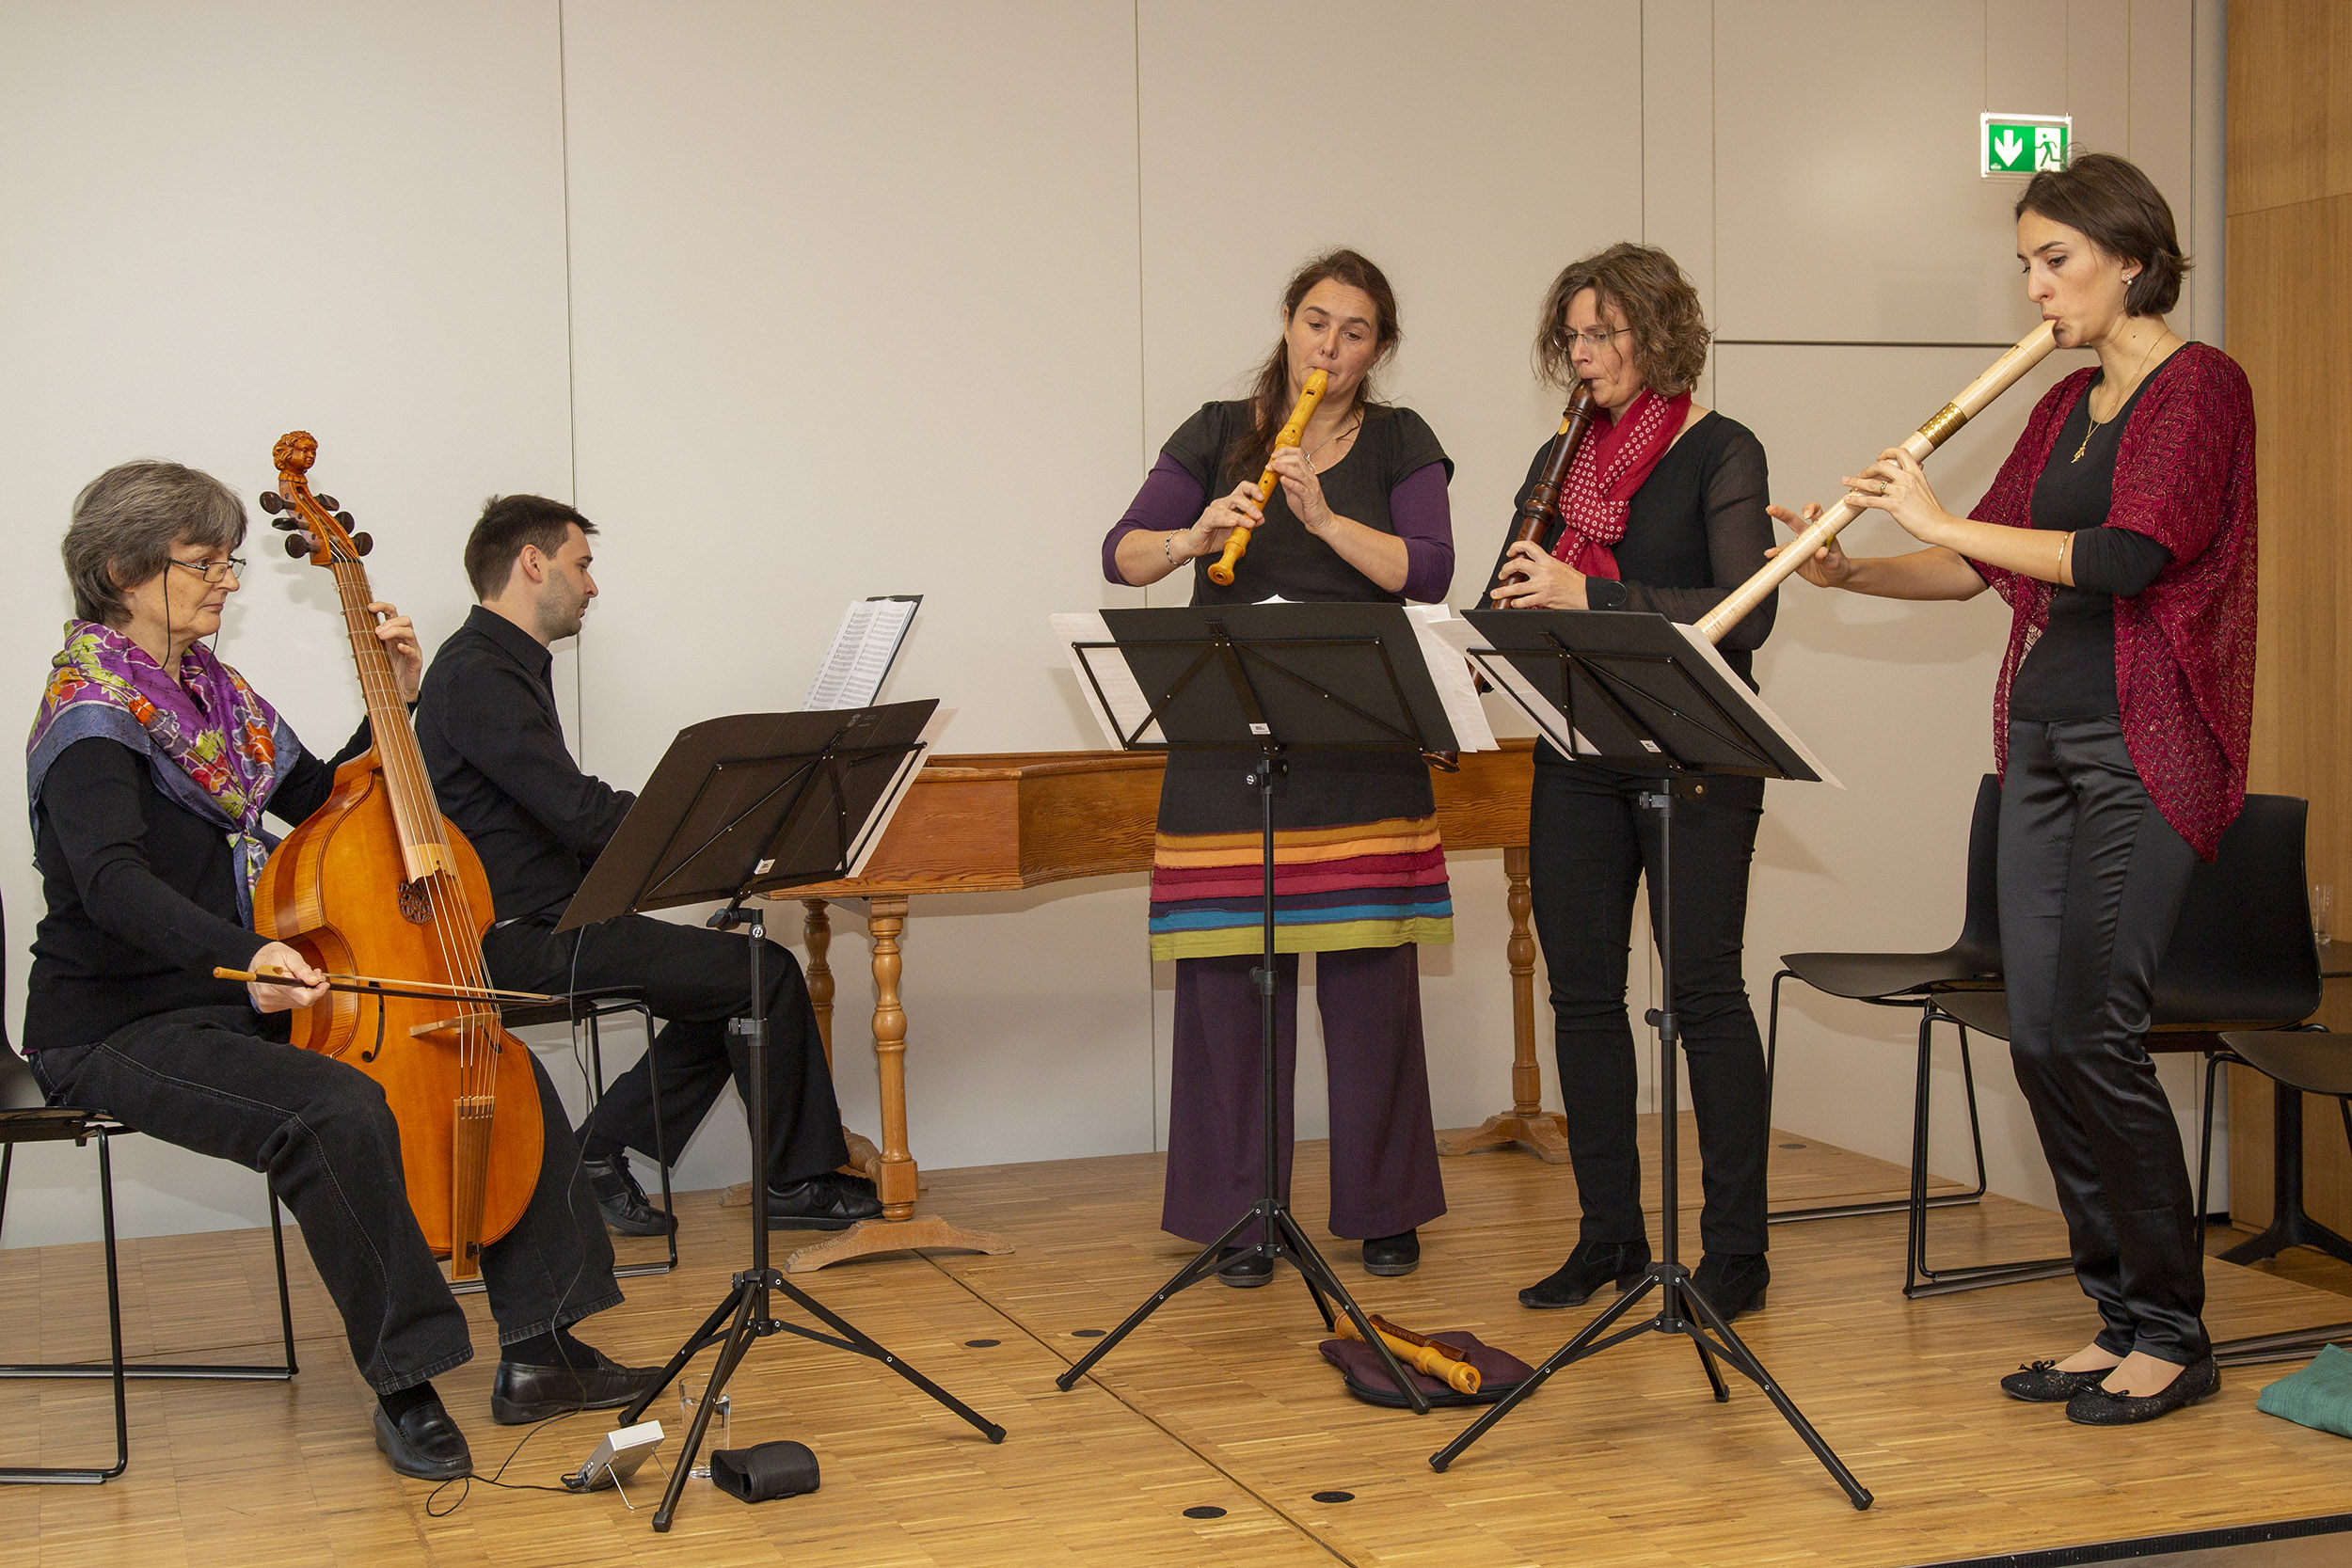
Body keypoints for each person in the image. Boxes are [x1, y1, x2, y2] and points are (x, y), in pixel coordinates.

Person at [22, 461, 659, 1483]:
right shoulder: (90, 710)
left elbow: (330, 802)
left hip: (241, 991)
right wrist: (246, 955)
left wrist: (395, 704)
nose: (227, 579)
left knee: (482, 1045)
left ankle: (542, 1348)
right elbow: (110, 885)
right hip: (115, 1023)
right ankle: (406, 1380)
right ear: (122, 569)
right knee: (334, 1107)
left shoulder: (213, 697)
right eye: (204, 561)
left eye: (230, 558)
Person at [1770, 152, 2251, 1425]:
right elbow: (1986, 563)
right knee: (2041, 1035)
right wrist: (1853, 571)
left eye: (2056, 259)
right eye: (2027, 263)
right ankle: (2118, 1317)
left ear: (2131, 258)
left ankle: (2174, 1329)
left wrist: (1936, 523)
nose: (2036, 288)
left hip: (2146, 749)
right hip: (2040, 742)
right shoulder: (2060, 403)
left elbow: (2128, 552)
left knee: (2099, 1029)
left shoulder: (2201, 390)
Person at [1101, 247, 1454, 1281]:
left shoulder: (1400, 440)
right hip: (1228, 745)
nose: (1328, 346)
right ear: (1288, 323)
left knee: (1369, 984)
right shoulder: (1218, 432)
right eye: (1314, 322)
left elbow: (1427, 570)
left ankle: (1384, 1206)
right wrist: (1194, 531)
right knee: (1226, 985)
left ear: (1376, 348)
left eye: (1353, 332)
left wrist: (1324, 519)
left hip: (1360, 747)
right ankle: (1236, 1216)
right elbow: (1119, 550)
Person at [415, 495, 879, 1237]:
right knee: (764, 976)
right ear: (533, 563)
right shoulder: (476, 673)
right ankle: (792, 1177)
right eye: (582, 563)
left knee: (736, 980)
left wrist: (705, 840)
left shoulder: (497, 665)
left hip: (552, 917)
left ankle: (597, 1153)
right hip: (517, 936)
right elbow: (574, 810)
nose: (593, 585)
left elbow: (561, 819)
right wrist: (714, 829)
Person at [1491, 244, 1780, 1322]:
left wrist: (1587, 586)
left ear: (1658, 334)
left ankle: (1736, 1252)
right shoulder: (1559, 458)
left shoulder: (1720, 450)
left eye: (1602, 331)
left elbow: (1746, 609)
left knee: (1702, 994)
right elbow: (1514, 592)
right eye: (1571, 334)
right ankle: (1609, 1233)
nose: (1582, 351)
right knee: (1580, 996)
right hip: (1577, 746)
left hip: (1697, 749)